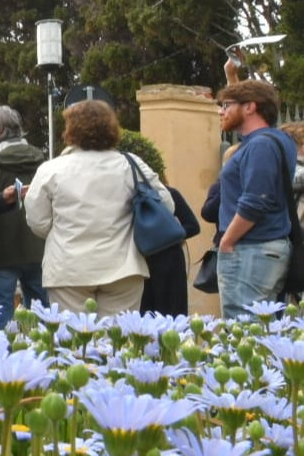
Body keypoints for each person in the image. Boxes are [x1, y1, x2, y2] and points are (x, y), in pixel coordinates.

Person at [24, 100, 173, 315]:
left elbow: (38, 222)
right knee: (118, 343)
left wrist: (63, 232)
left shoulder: (51, 169)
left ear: (70, 130)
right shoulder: (131, 164)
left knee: (74, 343)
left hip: (67, 268)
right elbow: (167, 204)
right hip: (124, 267)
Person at [215, 79, 299, 318]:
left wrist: (227, 242)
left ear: (250, 107)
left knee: (243, 331)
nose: (221, 111)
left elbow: (256, 200)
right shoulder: (275, 140)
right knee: (260, 330)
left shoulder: (261, 145)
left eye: (226, 105)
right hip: (262, 249)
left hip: (251, 249)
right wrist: (231, 75)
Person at [0, 106, 48, 328]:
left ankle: (0, 362)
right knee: (43, 317)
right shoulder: (41, 159)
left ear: (0, 131)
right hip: (38, 247)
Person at [140, 172, 201, 316]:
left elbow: (193, 226)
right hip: (147, 264)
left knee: (171, 314)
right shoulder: (133, 199)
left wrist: (168, 237)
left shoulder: (170, 194)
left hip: (168, 262)